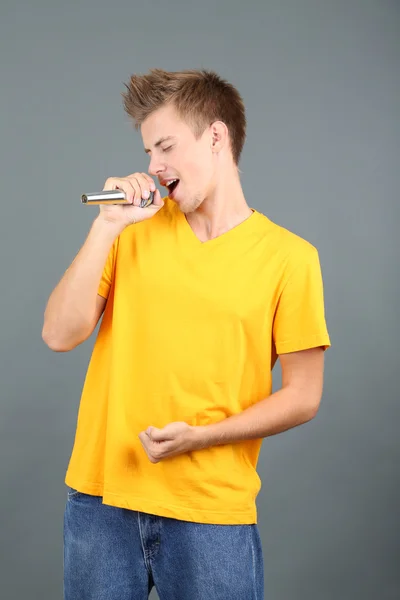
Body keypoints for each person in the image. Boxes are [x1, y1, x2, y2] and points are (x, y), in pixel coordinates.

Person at [42, 68, 331, 600]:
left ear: (216, 137)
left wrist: (203, 437)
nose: (153, 167)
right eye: (150, 152)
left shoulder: (290, 259)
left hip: (211, 512)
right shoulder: (129, 235)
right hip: (101, 504)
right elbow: (59, 334)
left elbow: (303, 395)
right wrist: (106, 225)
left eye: (166, 146)